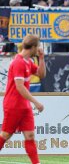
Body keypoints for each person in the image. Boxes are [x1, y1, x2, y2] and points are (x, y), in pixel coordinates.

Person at [0, 34, 46, 164]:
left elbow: (41, 74)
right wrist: (36, 102)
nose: (38, 49)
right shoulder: (18, 62)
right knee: (5, 135)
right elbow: (20, 87)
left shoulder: (29, 62)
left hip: (24, 106)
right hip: (13, 105)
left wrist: (41, 58)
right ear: (33, 47)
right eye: (37, 47)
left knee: (30, 136)